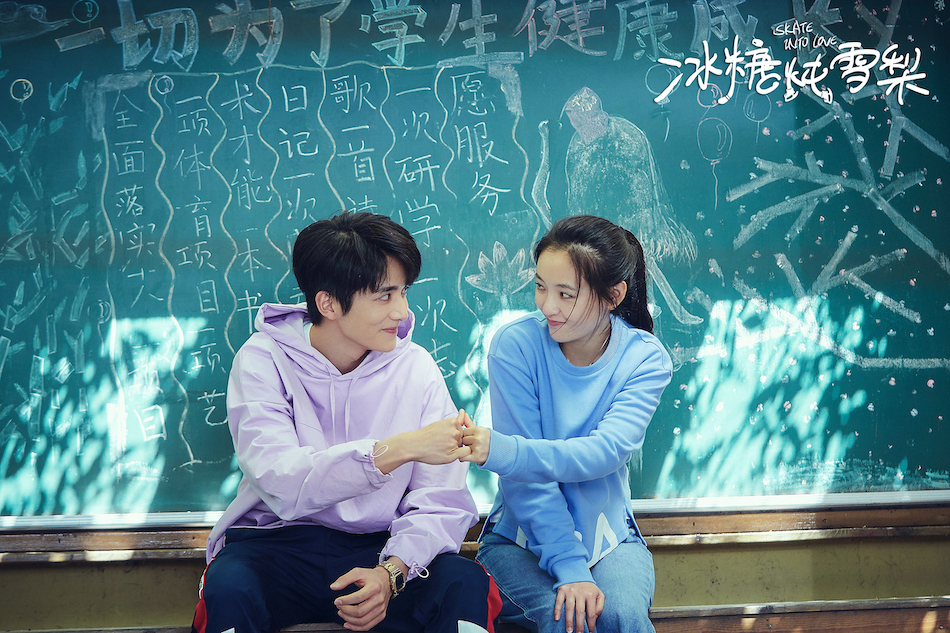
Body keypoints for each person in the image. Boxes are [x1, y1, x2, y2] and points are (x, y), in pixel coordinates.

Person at [191, 211, 500, 633]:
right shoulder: (262, 360)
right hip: (279, 544)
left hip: (382, 546)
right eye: (384, 296)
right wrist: (399, 449)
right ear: (328, 303)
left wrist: (392, 573)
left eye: (403, 292)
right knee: (228, 587)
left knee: (465, 585)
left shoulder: (416, 367)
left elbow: (440, 501)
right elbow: (281, 481)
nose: (402, 311)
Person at [460, 215, 673, 633]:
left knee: (622, 618)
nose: (547, 306)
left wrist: (504, 451)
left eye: (565, 294)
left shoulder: (645, 359)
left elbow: (605, 452)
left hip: (609, 539)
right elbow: (526, 484)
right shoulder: (515, 346)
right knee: (567, 619)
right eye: (540, 287)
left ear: (613, 295)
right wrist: (570, 567)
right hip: (520, 540)